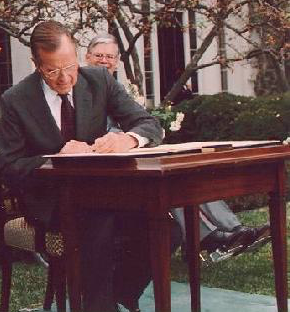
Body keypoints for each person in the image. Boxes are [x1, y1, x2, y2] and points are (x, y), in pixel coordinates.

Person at [0, 21, 178, 312]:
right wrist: (55, 158)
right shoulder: (16, 99)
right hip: (51, 199)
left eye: (69, 66)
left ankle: (118, 295)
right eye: (52, 71)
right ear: (36, 64)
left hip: (106, 193)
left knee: (166, 227)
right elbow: (9, 167)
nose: (64, 78)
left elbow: (149, 124)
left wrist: (128, 139)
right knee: (98, 224)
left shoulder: (98, 80)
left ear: (77, 54)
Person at [86, 33, 270, 258]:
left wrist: (134, 137)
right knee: (169, 180)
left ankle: (235, 230)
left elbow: (144, 123)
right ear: (87, 57)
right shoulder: (80, 90)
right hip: (106, 168)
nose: (104, 61)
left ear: (116, 62)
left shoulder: (117, 89)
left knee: (188, 172)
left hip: (133, 156)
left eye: (110, 57)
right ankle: (207, 238)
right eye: (99, 56)